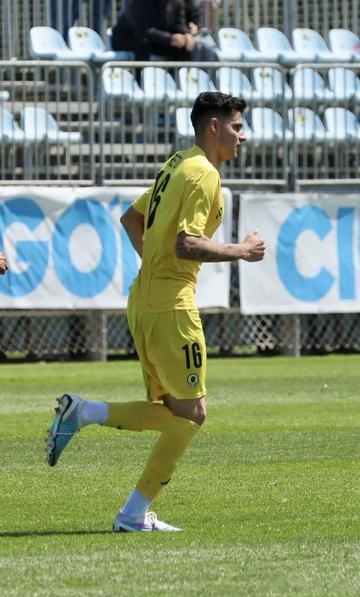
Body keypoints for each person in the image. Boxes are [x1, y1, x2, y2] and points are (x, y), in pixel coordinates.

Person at [44, 93, 265, 532]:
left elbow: (130, 219)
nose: (243, 136)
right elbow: (186, 243)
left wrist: (154, 265)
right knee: (194, 414)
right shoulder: (204, 175)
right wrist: (240, 251)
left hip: (144, 300)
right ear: (215, 126)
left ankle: (83, 413)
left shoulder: (177, 164)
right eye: (238, 127)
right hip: (172, 306)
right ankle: (131, 513)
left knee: (172, 411)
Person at [110, 0, 218, 62]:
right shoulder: (141, 2)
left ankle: (178, 86)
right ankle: (140, 85)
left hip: (156, 39)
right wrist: (170, 38)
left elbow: (178, 24)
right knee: (143, 43)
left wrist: (187, 35)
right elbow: (143, 30)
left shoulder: (177, 2)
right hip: (128, 39)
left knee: (184, 46)